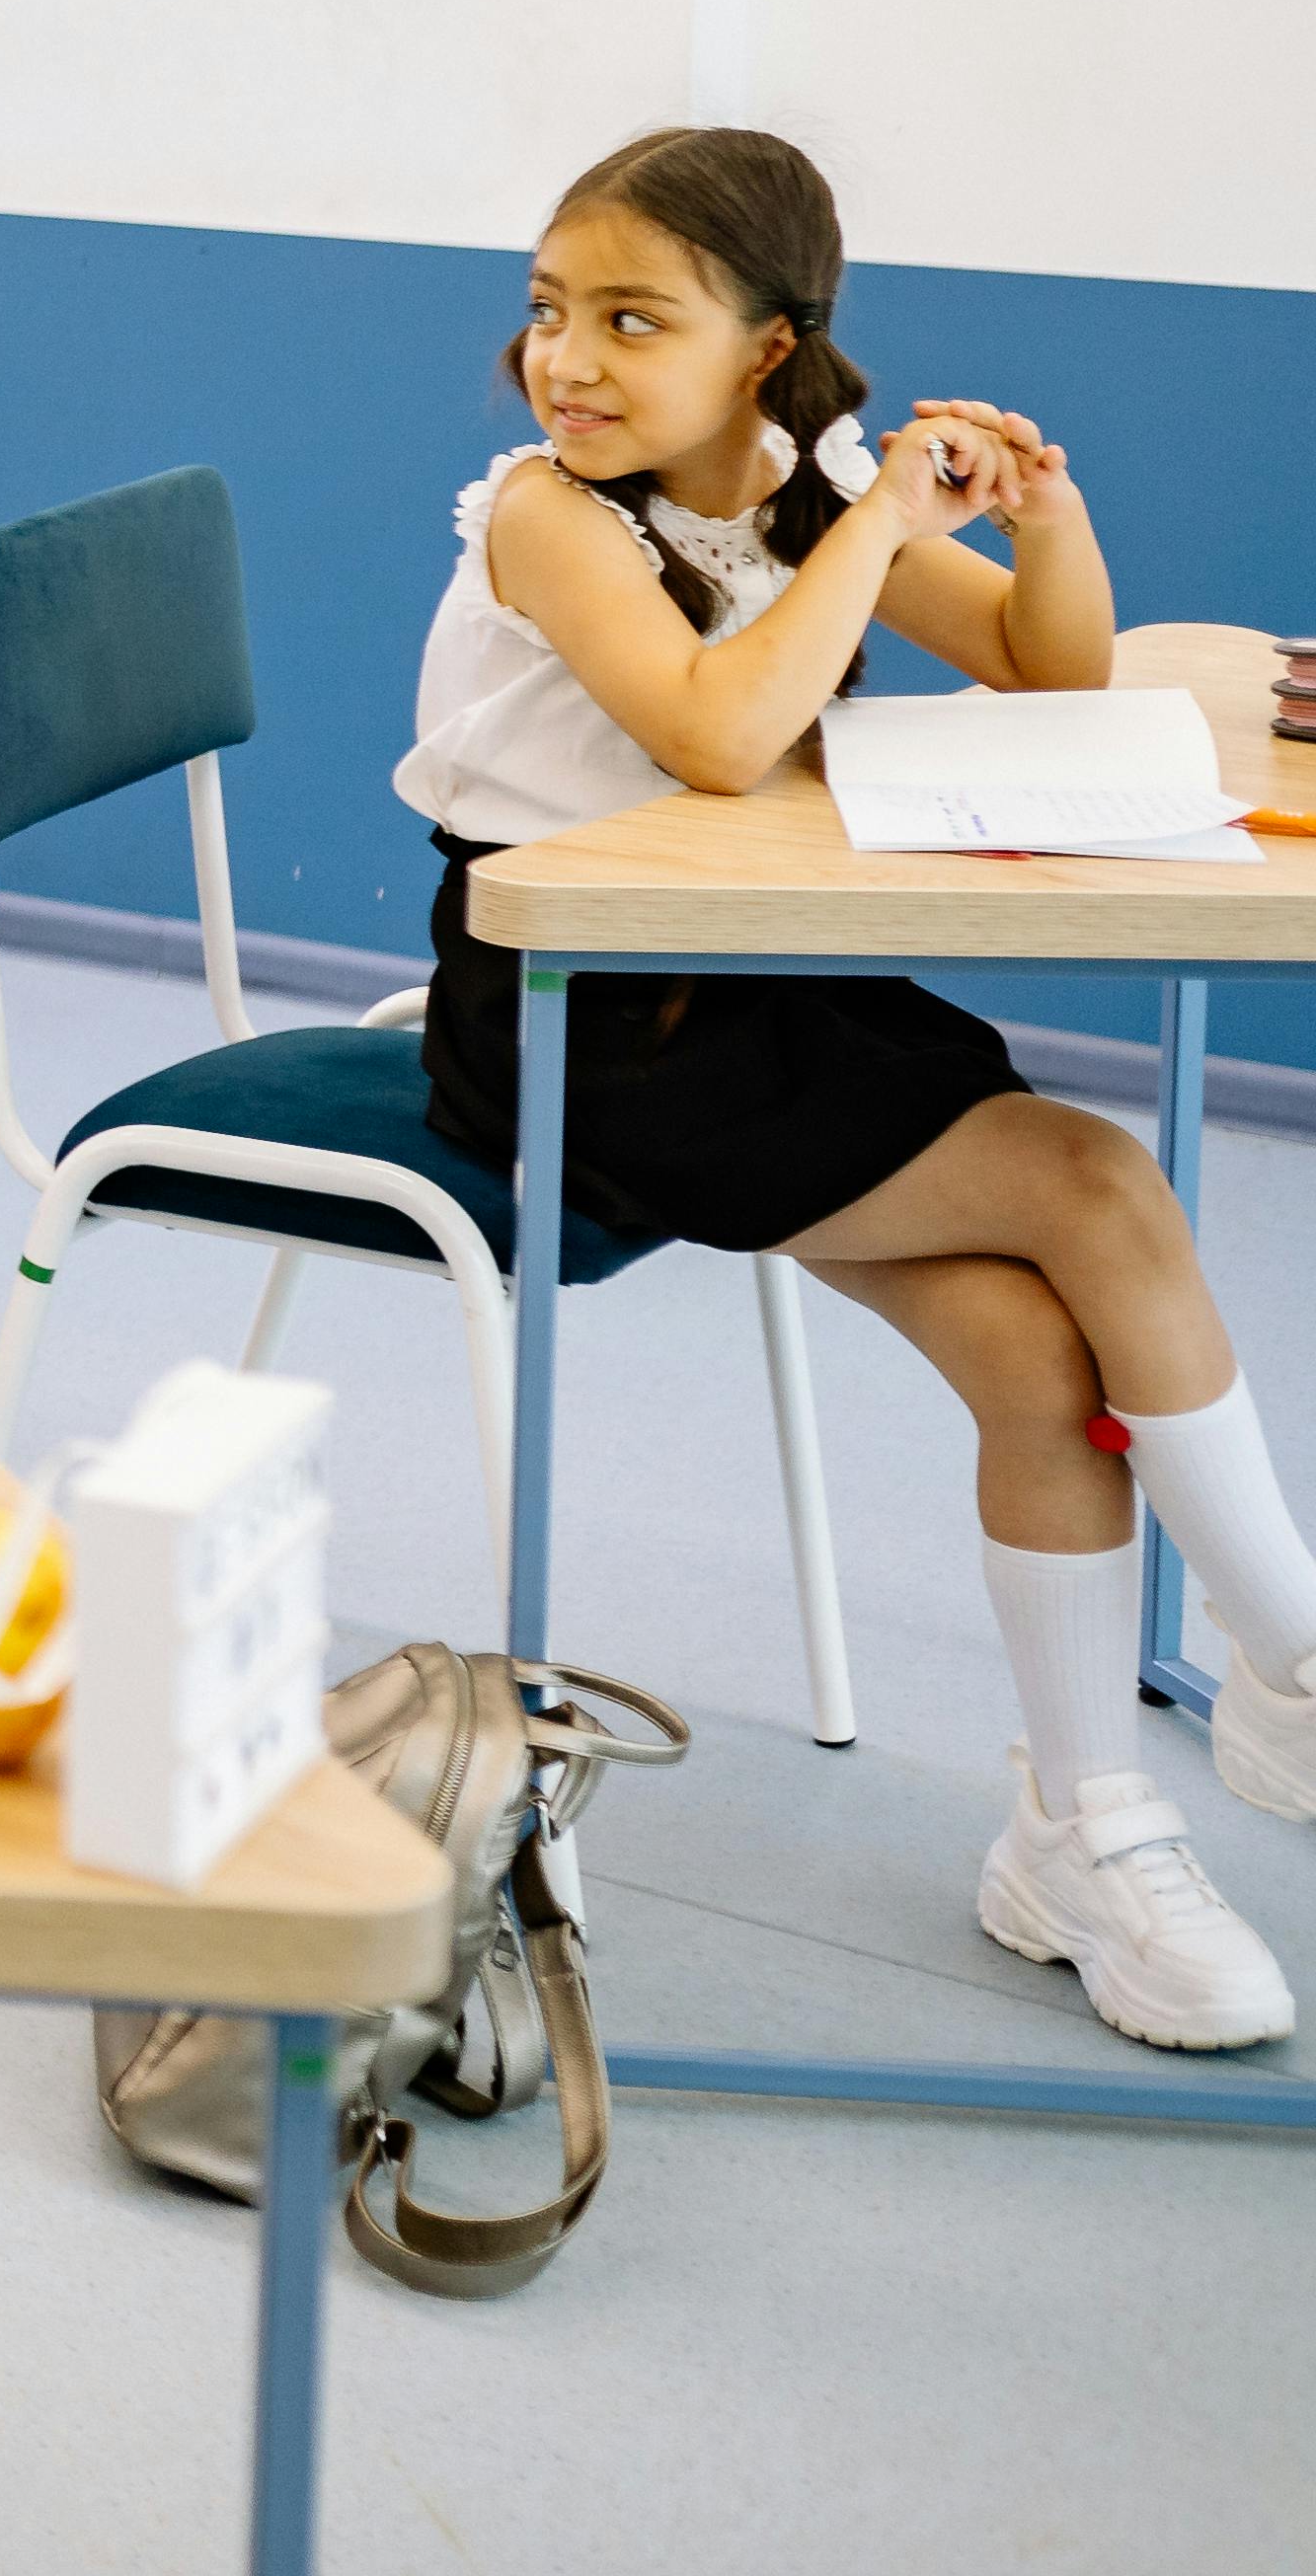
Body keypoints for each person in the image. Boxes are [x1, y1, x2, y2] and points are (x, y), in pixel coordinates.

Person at [402, 124, 1316, 2050]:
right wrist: (874, 526)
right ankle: (1291, 1647)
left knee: (1040, 1354)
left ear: (764, 344)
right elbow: (727, 733)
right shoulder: (549, 515)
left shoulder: (788, 476)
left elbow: (1044, 672)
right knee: (1096, 1186)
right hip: (578, 1009)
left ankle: (1088, 1826)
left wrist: (1038, 518)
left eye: (630, 318)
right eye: (551, 308)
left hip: (752, 985)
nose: (567, 355)